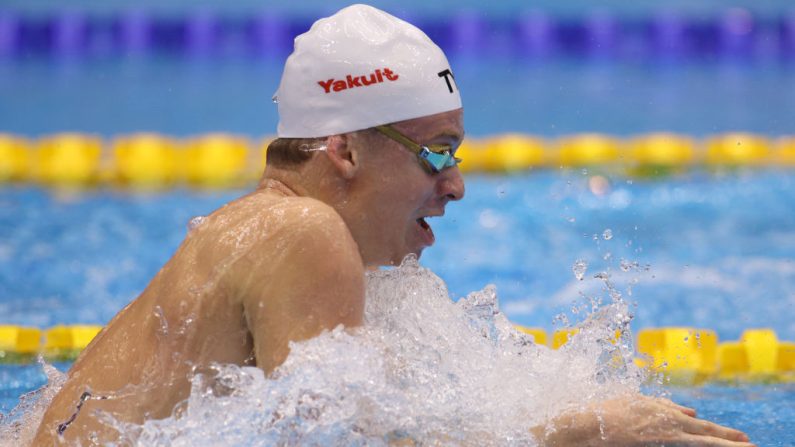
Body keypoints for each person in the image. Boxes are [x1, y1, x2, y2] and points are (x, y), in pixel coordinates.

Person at [32, 4, 754, 446]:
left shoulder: (262, 232)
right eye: (435, 152)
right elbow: (338, 441)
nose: (457, 185)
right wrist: (577, 431)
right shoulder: (302, 232)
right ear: (342, 148)